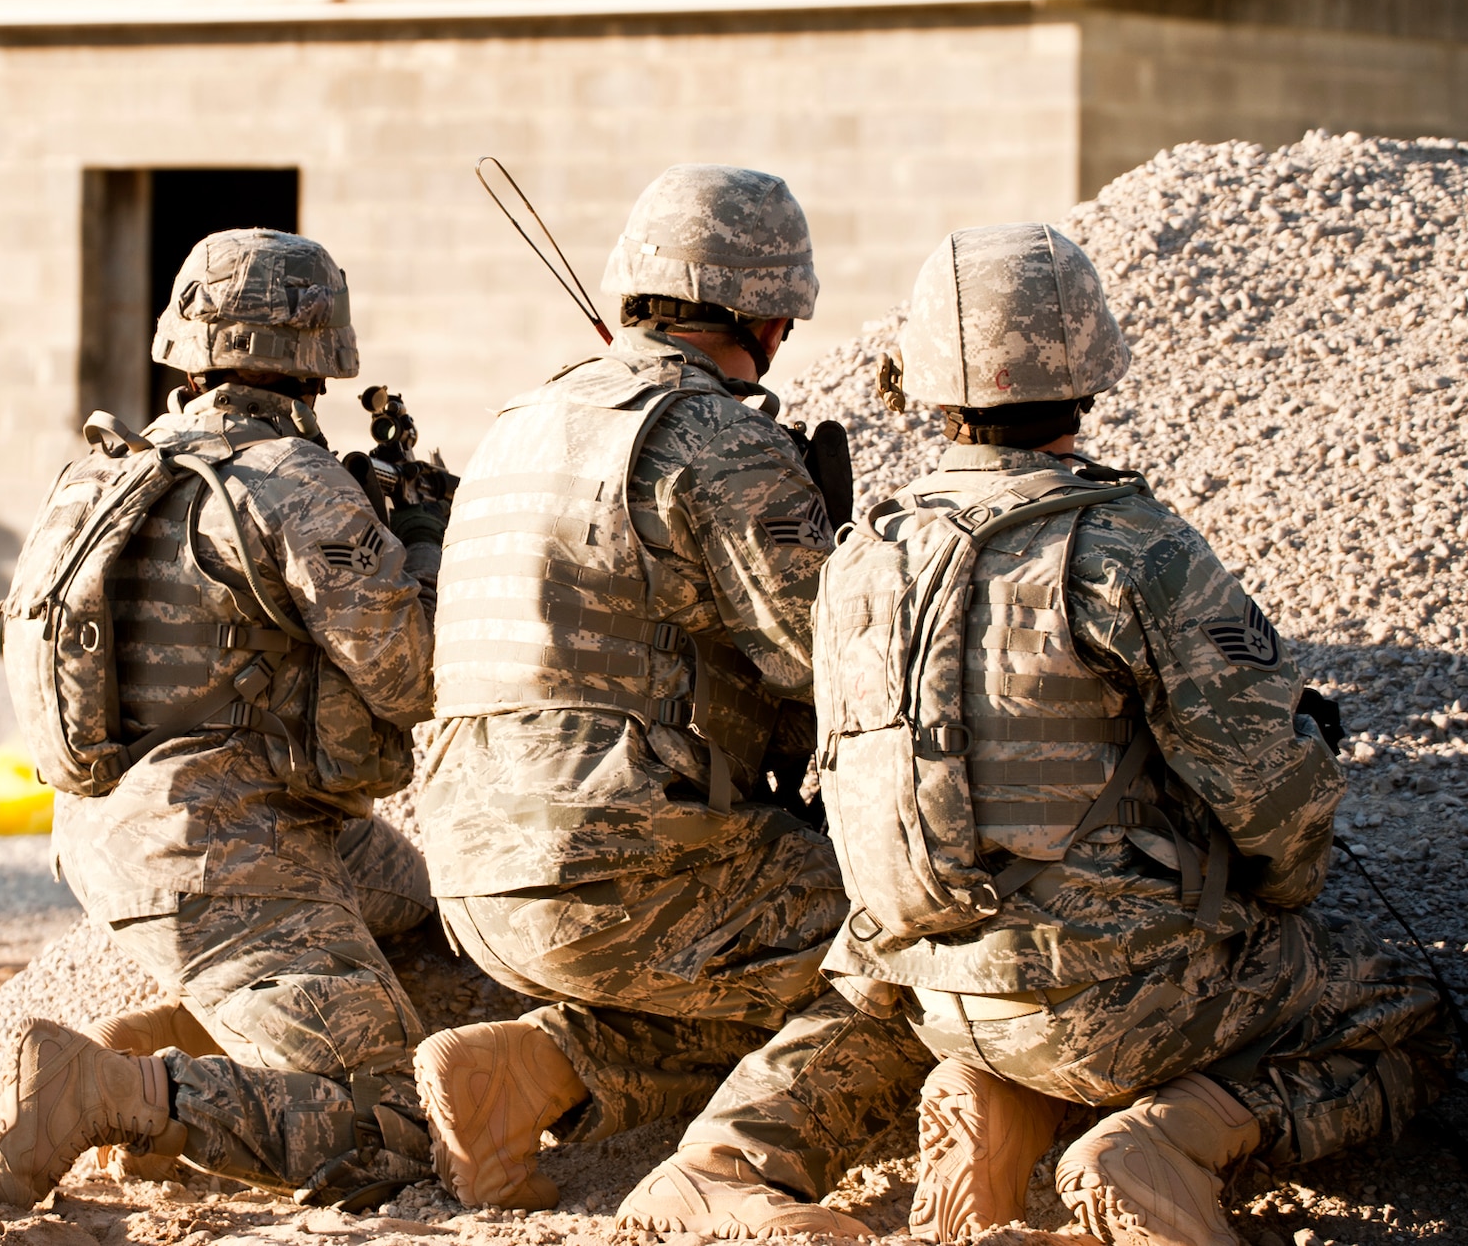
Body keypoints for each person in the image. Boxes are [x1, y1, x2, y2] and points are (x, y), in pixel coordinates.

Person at [812, 222, 1454, 1245]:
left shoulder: (862, 553)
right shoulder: (1126, 545)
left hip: (936, 995)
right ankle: (1156, 1146)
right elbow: (1272, 797)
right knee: (1402, 1015)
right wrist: (1280, 898)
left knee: (1072, 1008)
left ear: (921, 378)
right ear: (1087, 366)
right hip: (1112, 999)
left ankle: (997, 1109)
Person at [412, 165, 928, 1238]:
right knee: (928, 942)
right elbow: (827, 672)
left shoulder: (515, 422)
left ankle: (531, 1072)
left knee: (750, 968)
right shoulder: (718, 440)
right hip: (614, 867)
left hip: (470, 876)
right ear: (772, 313)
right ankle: (733, 1174)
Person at [0, 229, 446, 1209]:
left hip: (121, 826)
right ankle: (118, 1092)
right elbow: (413, 682)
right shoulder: (291, 480)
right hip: (222, 850)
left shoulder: (100, 472)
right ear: (318, 347)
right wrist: (421, 557)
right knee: (403, 1122)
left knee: (429, 934)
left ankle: (181, 1047)